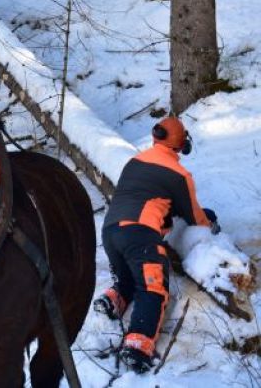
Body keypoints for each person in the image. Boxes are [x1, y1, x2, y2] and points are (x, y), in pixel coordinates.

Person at [94, 116, 219, 374]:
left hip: (110, 231)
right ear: (183, 144)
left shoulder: (135, 162)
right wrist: (210, 222)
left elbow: (156, 201)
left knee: (129, 279)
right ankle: (138, 346)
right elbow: (194, 217)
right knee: (153, 288)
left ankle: (114, 299)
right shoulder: (179, 174)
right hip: (139, 235)